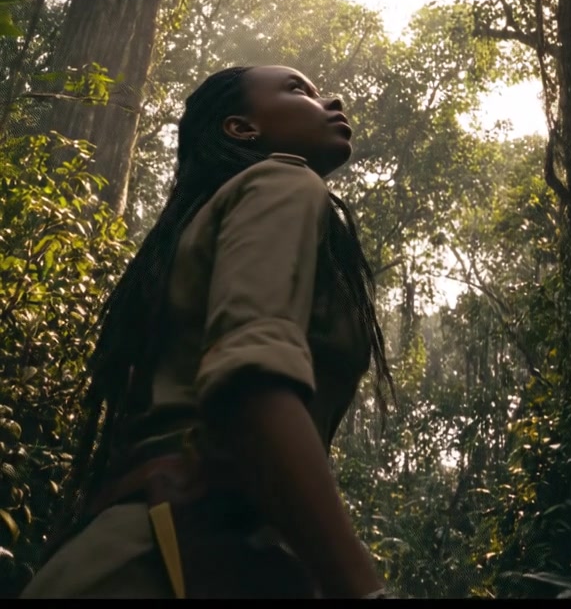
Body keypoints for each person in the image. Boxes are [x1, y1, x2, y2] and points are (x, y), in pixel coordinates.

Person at [20, 64, 395, 599]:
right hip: (169, 560)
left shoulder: (206, 221)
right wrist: (362, 589)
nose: (331, 102)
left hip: (122, 554)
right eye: (299, 90)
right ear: (242, 128)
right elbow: (250, 383)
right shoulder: (281, 180)